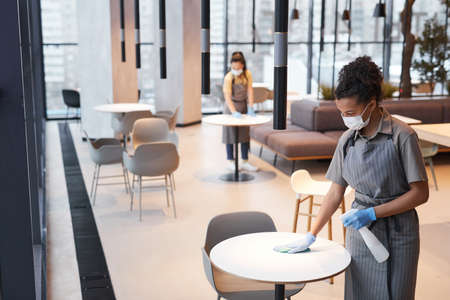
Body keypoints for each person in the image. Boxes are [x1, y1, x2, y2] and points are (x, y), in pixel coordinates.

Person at [275, 56, 429, 300]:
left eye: (350, 112)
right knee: (360, 293)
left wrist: (373, 213)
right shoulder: (348, 141)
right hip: (361, 235)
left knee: (396, 294)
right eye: (341, 112)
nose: (346, 118)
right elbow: (335, 192)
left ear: (371, 104)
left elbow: (420, 193)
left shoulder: (402, 136)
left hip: (400, 233)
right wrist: (311, 235)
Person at [222, 51, 258, 172]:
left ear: (242, 65)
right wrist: (233, 112)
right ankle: (230, 161)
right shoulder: (228, 77)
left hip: (243, 106)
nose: (235, 69)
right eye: (233, 67)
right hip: (230, 107)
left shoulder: (247, 74)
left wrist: (251, 107)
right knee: (230, 135)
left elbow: (250, 91)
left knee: (244, 135)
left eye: (237, 67)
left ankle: (245, 161)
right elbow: (227, 97)